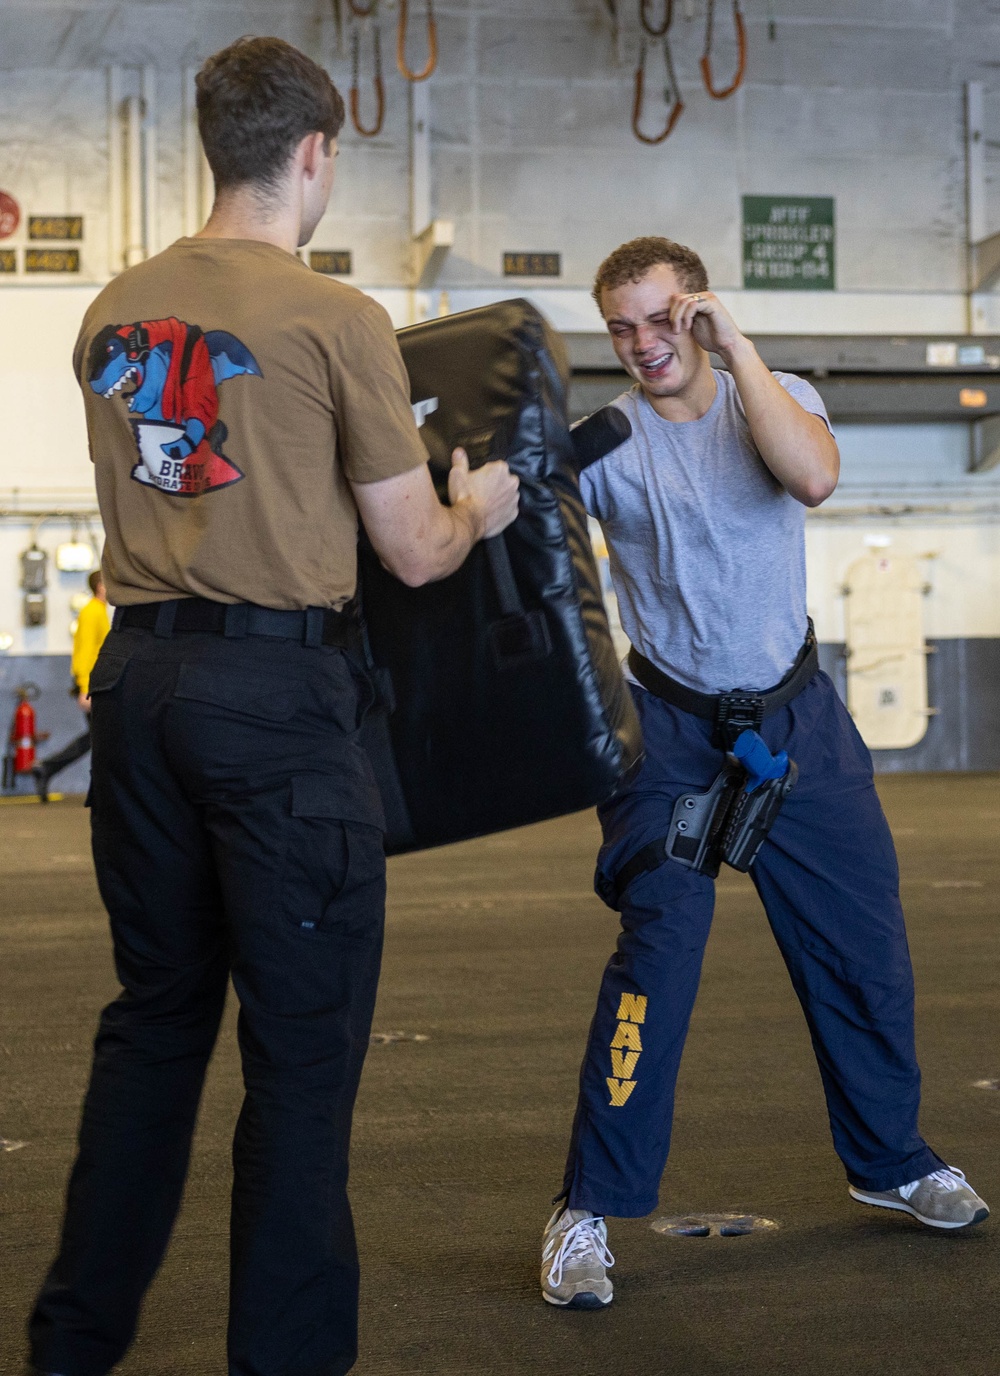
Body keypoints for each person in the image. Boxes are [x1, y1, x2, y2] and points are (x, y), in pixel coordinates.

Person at [27, 36, 518, 1376]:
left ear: (214, 148)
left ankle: (70, 1348)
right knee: (299, 1061)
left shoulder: (109, 311)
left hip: (138, 690)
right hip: (276, 707)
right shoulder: (335, 318)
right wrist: (478, 506)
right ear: (314, 153)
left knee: (154, 1027)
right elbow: (413, 549)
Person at [540, 236, 989, 1311]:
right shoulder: (605, 445)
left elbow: (816, 477)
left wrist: (738, 348)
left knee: (864, 948)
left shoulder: (772, 397)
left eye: (662, 318)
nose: (644, 343)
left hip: (795, 722)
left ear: (697, 309)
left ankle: (890, 1159)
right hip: (667, 734)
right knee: (659, 951)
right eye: (622, 328)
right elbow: (514, 543)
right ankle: (586, 1209)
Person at [33, 570, 110, 803]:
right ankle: (48, 768)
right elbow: (85, 652)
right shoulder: (91, 612)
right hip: (91, 684)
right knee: (101, 737)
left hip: (94, 682)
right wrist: (85, 687)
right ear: (100, 586)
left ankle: (47, 768)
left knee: (97, 737)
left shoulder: (98, 611)